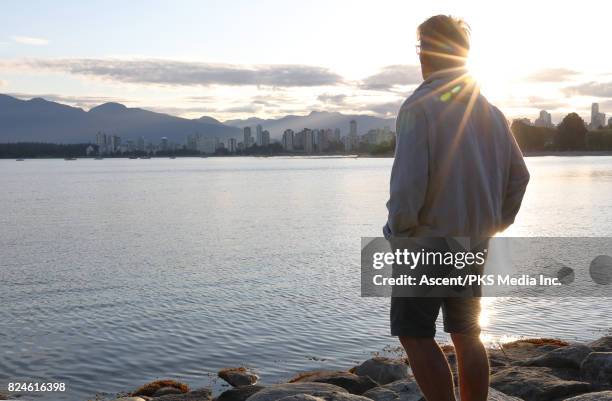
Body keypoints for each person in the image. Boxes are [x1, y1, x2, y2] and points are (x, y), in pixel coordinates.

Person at [383, 15, 530, 401]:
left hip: (426, 241)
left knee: (413, 333)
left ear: (426, 53)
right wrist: (493, 223)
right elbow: (520, 178)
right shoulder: (493, 113)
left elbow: (408, 186)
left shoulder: (420, 107)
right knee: (467, 334)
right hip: (472, 242)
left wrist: (399, 234)